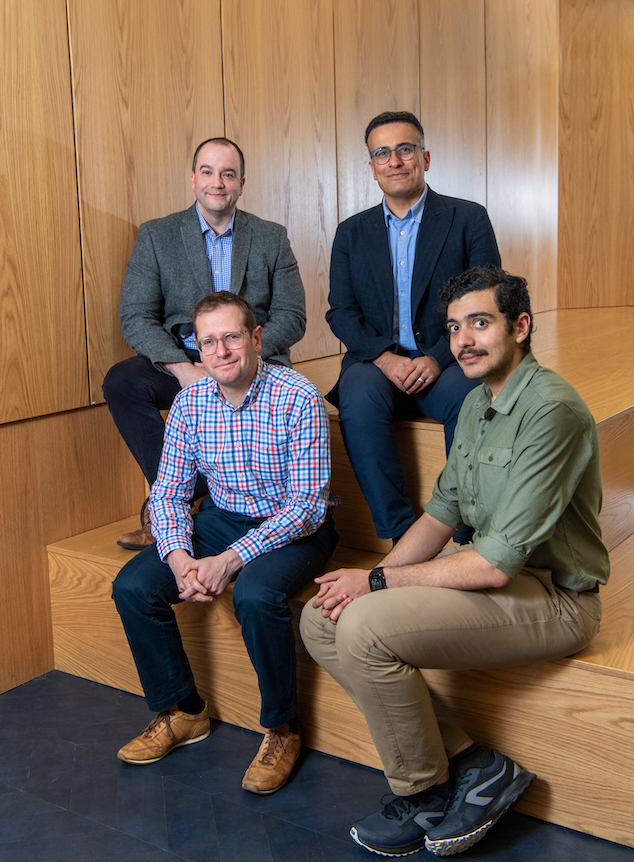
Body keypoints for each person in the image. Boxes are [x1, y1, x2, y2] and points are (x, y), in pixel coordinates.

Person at [301, 265, 608, 857]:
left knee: (364, 623)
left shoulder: (552, 411)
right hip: (496, 583)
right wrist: (370, 583)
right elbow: (440, 516)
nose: (464, 339)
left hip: (555, 599)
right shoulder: (474, 406)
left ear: (520, 327)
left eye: (480, 322)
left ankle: (423, 791)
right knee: (324, 616)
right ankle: (474, 763)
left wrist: (377, 580)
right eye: (454, 327)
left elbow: (494, 564)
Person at [112, 292, 338, 795]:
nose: (221, 351)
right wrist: (178, 558)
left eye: (232, 337)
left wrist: (230, 561)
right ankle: (183, 712)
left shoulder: (297, 396)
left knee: (256, 596)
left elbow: (306, 506)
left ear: (255, 339)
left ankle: (282, 730)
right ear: (197, 349)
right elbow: (168, 493)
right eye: (208, 342)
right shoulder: (191, 403)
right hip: (220, 519)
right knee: (133, 586)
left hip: (295, 526)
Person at [103, 137, 306, 550]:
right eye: (209, 172)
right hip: (183, 360)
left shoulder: (271, 237)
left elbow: (292, 316)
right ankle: (183, 498)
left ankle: (226, 508)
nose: (218, 182)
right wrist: (183, 369)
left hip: (251, 360)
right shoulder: (157, 236)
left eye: (228, 174)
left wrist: (237, 355)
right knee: (122, 380)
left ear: (242, 183)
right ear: (193, 179)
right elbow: (136, 315)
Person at [326, 111, 501, 542]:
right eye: (382, 153)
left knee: (470, 397)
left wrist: (440, 357)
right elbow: (341, 312)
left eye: (405, 149)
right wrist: (384, 359)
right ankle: (401, 536)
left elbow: (486, 301)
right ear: (371, 166)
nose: (395, 161)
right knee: (357, 396)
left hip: (447, 357)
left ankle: (466, 535)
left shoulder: (467, 219)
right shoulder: (351, 233)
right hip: (378, 362)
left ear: (425, 156)